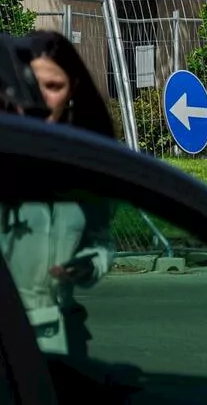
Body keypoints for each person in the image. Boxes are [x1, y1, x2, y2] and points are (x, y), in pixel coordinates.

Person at [0, 30, 115, 359]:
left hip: (66, 339)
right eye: (31, 85)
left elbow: (101, 239)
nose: (39, 99)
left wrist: (89, 265)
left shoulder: (85, 166)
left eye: (53, 87)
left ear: (72, 91)